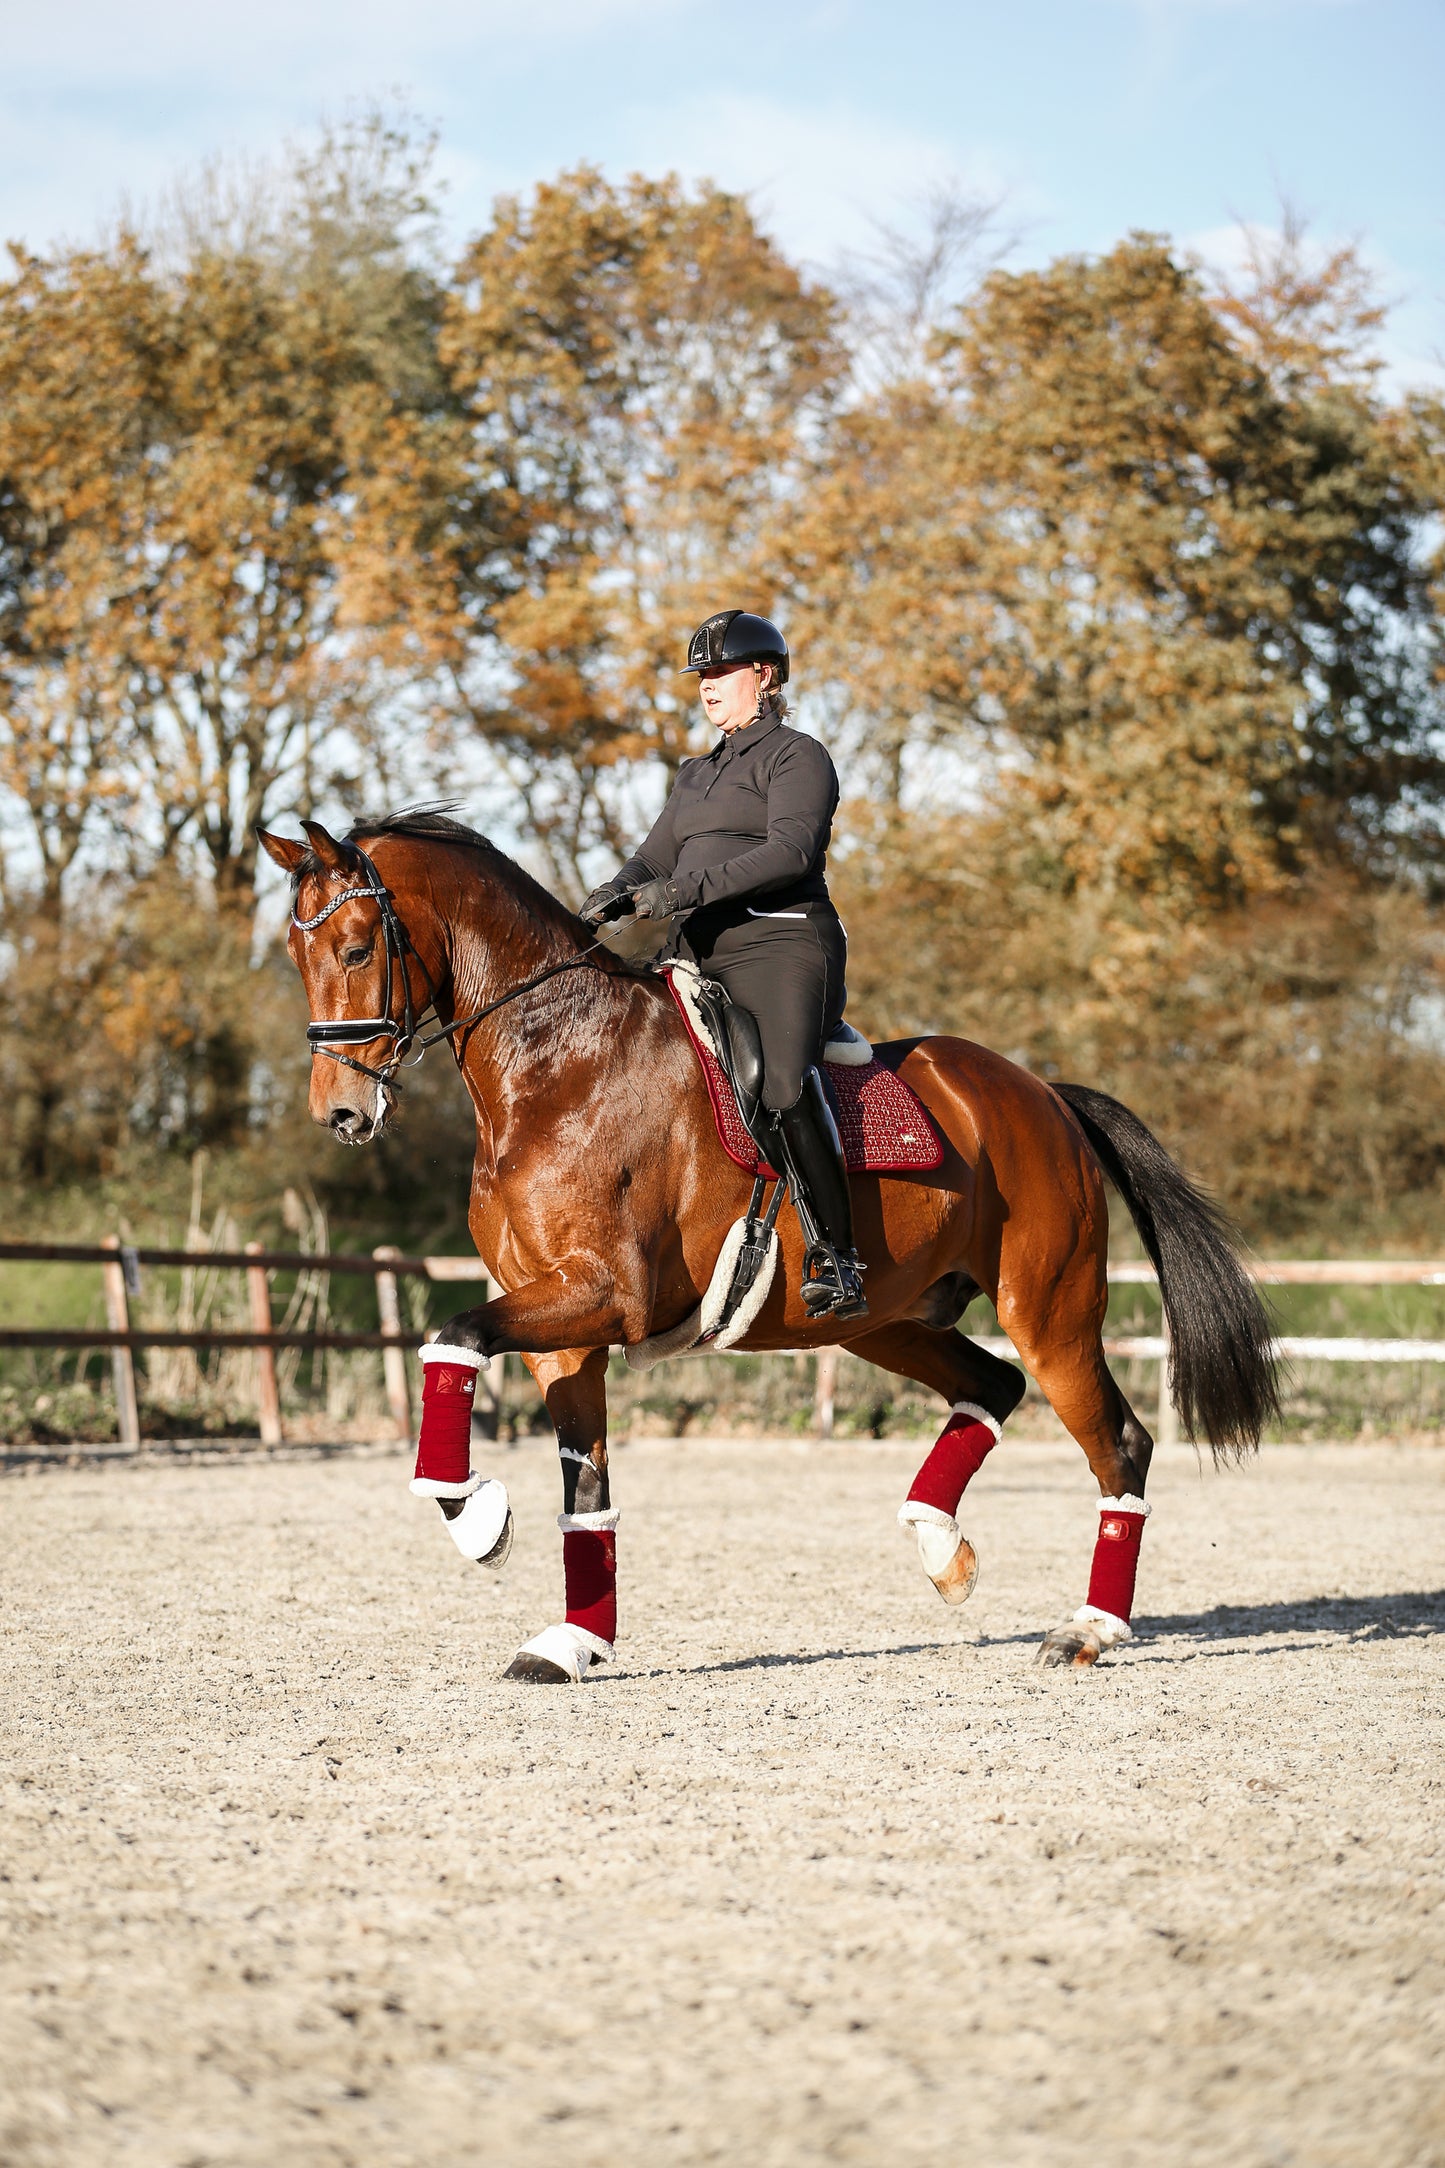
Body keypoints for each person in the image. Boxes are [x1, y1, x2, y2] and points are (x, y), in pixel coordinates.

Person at [581, 609, 867, 1320]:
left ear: (762, 676)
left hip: (781, 943)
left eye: (719, 674)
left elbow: (790, 853)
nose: (706, 688)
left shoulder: (797, 756)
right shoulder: (695, 773)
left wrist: (679, 892)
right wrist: (610, 893)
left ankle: (838, 1255)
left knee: (779, 1087)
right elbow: (654, 854)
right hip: (695, 950)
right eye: (700, 677)